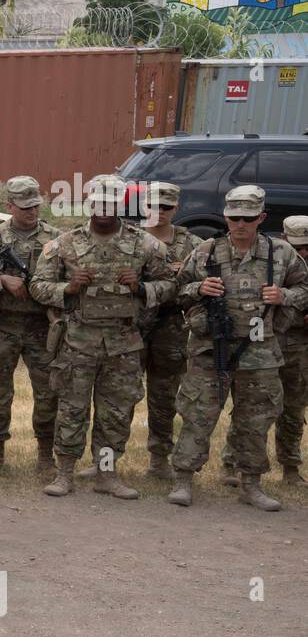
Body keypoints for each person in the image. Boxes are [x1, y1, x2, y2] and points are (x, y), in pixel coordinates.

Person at [167, 187, 308, 510]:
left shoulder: (282, 254)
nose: (240, 224)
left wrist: (284, 297)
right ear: (226, 217)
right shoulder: (206, 252)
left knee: (255, 419)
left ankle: (250, 484)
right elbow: (176, 291)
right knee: (197, 414)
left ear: (261, 218)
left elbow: (304, 287)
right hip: (209, 349)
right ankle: (184, 479)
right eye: (233, 218)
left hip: (260, 352)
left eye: (247, 218)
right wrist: (199, 287)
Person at [30, 175, 170, 500]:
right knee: (71, 409)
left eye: (111, 201)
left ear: (121, 203)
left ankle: (107, 474)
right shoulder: (65, 243)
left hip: (123, 345)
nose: (104, 208)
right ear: (90, 202)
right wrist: (68, 288)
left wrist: (141, 287)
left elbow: (171, 284)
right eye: (98, 201)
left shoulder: (145, 244)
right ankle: (64, 474)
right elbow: (37, 285)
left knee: (115, 413)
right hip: (77, 342)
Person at [0, 176, 61, 478]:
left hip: (41, 325)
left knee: (47, 393)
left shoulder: (55, 238)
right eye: (24, 206)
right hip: (2, 325)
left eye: (35, 205)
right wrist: (2, 280)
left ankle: (45, 456)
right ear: (9, 205)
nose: (31, 211)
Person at [134, 181, 202, 481]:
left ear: (176, 209)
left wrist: (182, 275)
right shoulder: (128, 239)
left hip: (171, 325)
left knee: (163, 396)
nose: (158, 212)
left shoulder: (193, 245)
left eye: (165, 207)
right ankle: (106, 460)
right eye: (152, 206)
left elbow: (203, 287)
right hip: (131, 325)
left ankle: (159, 460)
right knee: (118, 395)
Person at [273, 216, 308, 485]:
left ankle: (290, 467)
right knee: (251, 408)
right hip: (265, 342)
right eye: (298, 245)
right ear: (284, 239)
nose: (303, 251)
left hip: (299, 346)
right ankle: (232, 463)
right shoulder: (269, 259)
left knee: (294, 409)